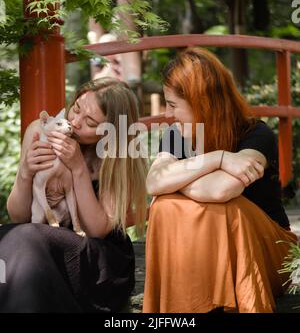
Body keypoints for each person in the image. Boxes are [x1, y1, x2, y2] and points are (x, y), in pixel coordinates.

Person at [143, 47, 298, 313]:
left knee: (224, 207)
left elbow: (222, 190)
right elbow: (154, 182)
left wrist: (178, 181)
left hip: (269, 255)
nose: (168, 115)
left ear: (201, 102)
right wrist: (220, 158)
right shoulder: (176, 135)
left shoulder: (256, 134)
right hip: (212, 252)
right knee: (164, 205)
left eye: (173, 105)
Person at [0, 77, 148, 312]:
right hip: (38, 245)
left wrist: (78, 167)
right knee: (15, 239)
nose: (74, 122)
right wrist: (26, 173)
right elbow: (18, 216)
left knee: (24, 239)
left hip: (98, 262)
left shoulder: (119, 155)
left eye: (89, 121)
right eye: (76, 109)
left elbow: (97, 229)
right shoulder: (40, 132)